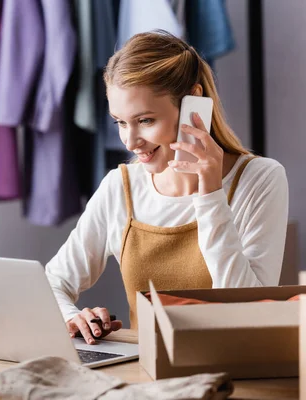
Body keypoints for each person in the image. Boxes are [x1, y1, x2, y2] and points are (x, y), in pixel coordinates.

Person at [45, 31, 289, 344]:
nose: (130, 142)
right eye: (120, 122)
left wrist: (210, 194)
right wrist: (72, 316)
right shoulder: (120, 188)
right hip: (145, 375)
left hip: (234, 371)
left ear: (194, 104)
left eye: (145, 120)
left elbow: (249, 308)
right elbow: (52, 281)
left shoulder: (260, 180)